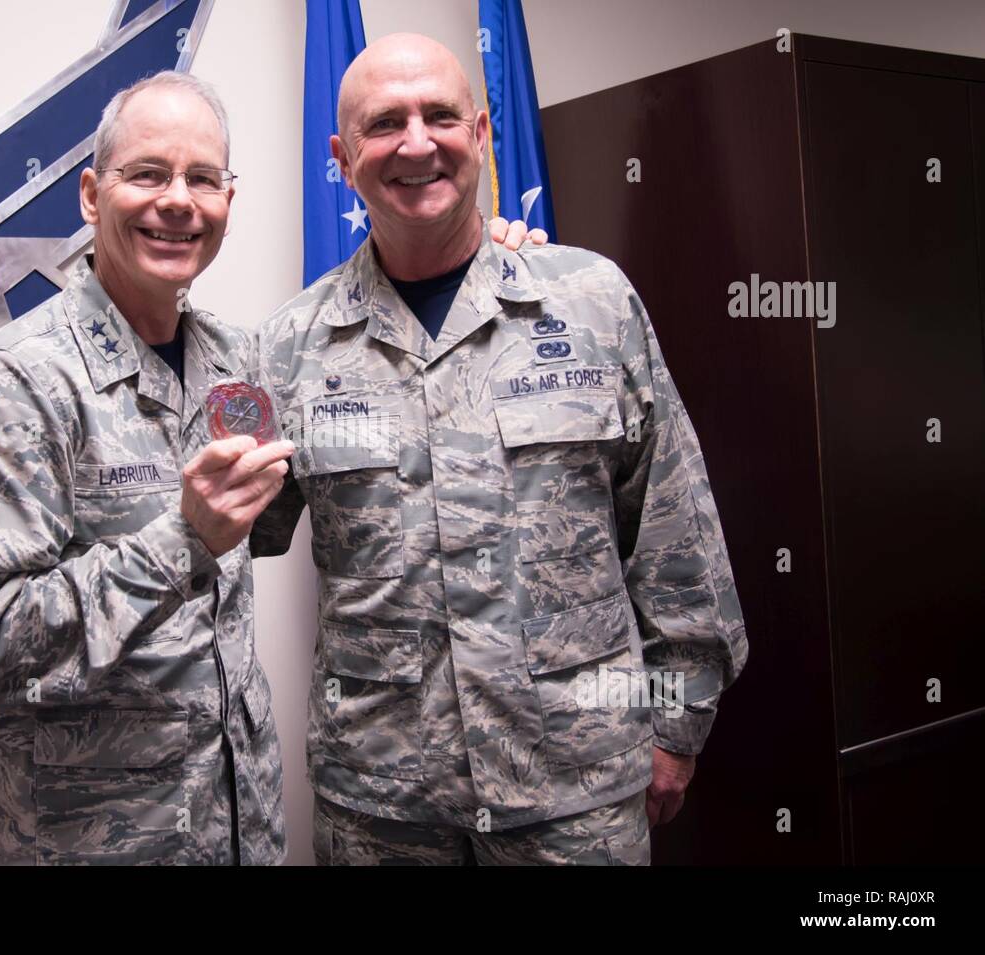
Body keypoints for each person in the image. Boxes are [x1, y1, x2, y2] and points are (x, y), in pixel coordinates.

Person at [252, 34, 748, 865]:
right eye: (384, 124)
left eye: (440, 116)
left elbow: (674, 533)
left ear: (480, 134)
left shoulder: (591, 303)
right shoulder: (289, 347)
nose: (417, 143)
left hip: (575, 794)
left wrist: (676, 720)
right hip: (384, 807)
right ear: (341, 158)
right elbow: (234, 534)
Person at [0, 71, 294, 865]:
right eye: (148, 174)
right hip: (88, 843)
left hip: (235, 830)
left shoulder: (239, 359)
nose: (178, 200)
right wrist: (179, 542)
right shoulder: (13, 383)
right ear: (92, 196)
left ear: (230, 199)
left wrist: (482, 256)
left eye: (203, 178)